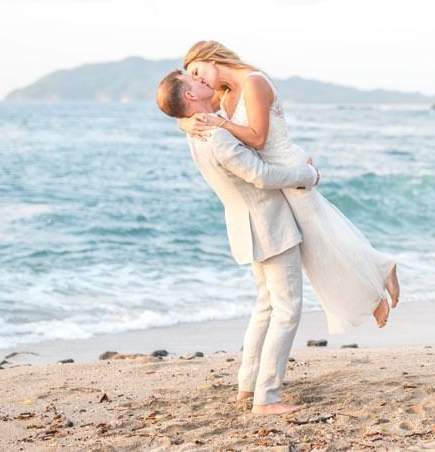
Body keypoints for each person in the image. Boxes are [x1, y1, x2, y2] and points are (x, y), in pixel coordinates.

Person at [178, 40, 400, 332]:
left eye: (197, 72)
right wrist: (184, 124)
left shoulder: (253, 82)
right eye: (192, 78)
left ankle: (375, 288)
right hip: (277, 175)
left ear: (211, 59)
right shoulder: (226, 92)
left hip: (286, 167)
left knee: (320, 241)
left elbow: (258, 139)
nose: (199, 80)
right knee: (322, 236)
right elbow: (196, 109)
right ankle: (379, 271)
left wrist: (221, 125)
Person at [156, 71, 316, 415]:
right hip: (269, 226)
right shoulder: (217, 136)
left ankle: (248, 386)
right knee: (287, 310)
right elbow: (261, 175)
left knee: (266, 306)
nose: (201, 80)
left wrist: (182, 122)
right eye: (192, 80)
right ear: (189, 97)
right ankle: (267, 397)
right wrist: (307, 175)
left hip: (246, 228)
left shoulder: (197, 132)